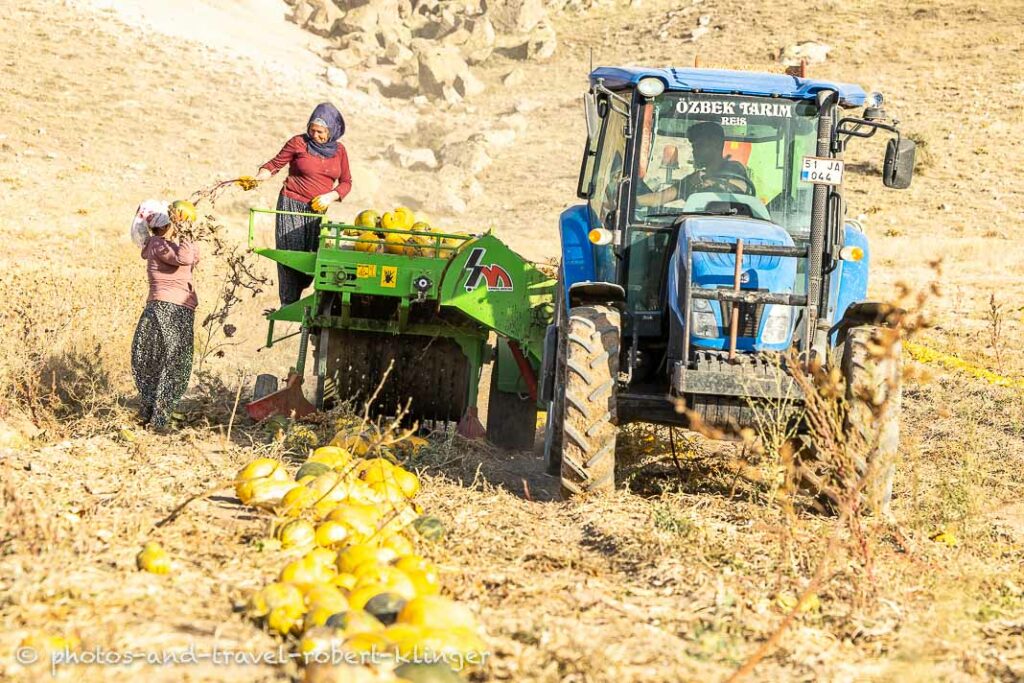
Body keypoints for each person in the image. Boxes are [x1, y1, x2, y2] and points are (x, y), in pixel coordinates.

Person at [242, 102, 352, 305]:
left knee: (311, 257)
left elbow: (346, 182)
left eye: (320, 132)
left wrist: (330, 196)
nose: (315, 135)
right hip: (291, 204)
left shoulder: (340, 151)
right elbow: (274, 165)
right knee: (290, 253)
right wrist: (257, 178)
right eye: (312, 130)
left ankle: (302, 298)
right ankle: (288, 301)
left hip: (318, 211)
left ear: (332, 131)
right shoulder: (298, 143)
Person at [130, 200, 200, 431]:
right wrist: (187, 233)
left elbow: (193, 257)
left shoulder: (163, 244)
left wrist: (185, 235)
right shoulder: (159, 244)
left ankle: (152, 412)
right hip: (172, 309)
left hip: (162, 308)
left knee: (153, 360)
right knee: (173, 362)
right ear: (167, 223)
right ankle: (158, 419)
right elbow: (186, 259)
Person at [637, 121, 754, 207]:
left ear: (716, 144)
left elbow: (743, 187)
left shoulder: (734, 169)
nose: (694, 151)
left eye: (699, 146)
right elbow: (658, 198)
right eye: (694, 147)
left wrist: (713, 181)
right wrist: (630, 200)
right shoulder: (694, 180)